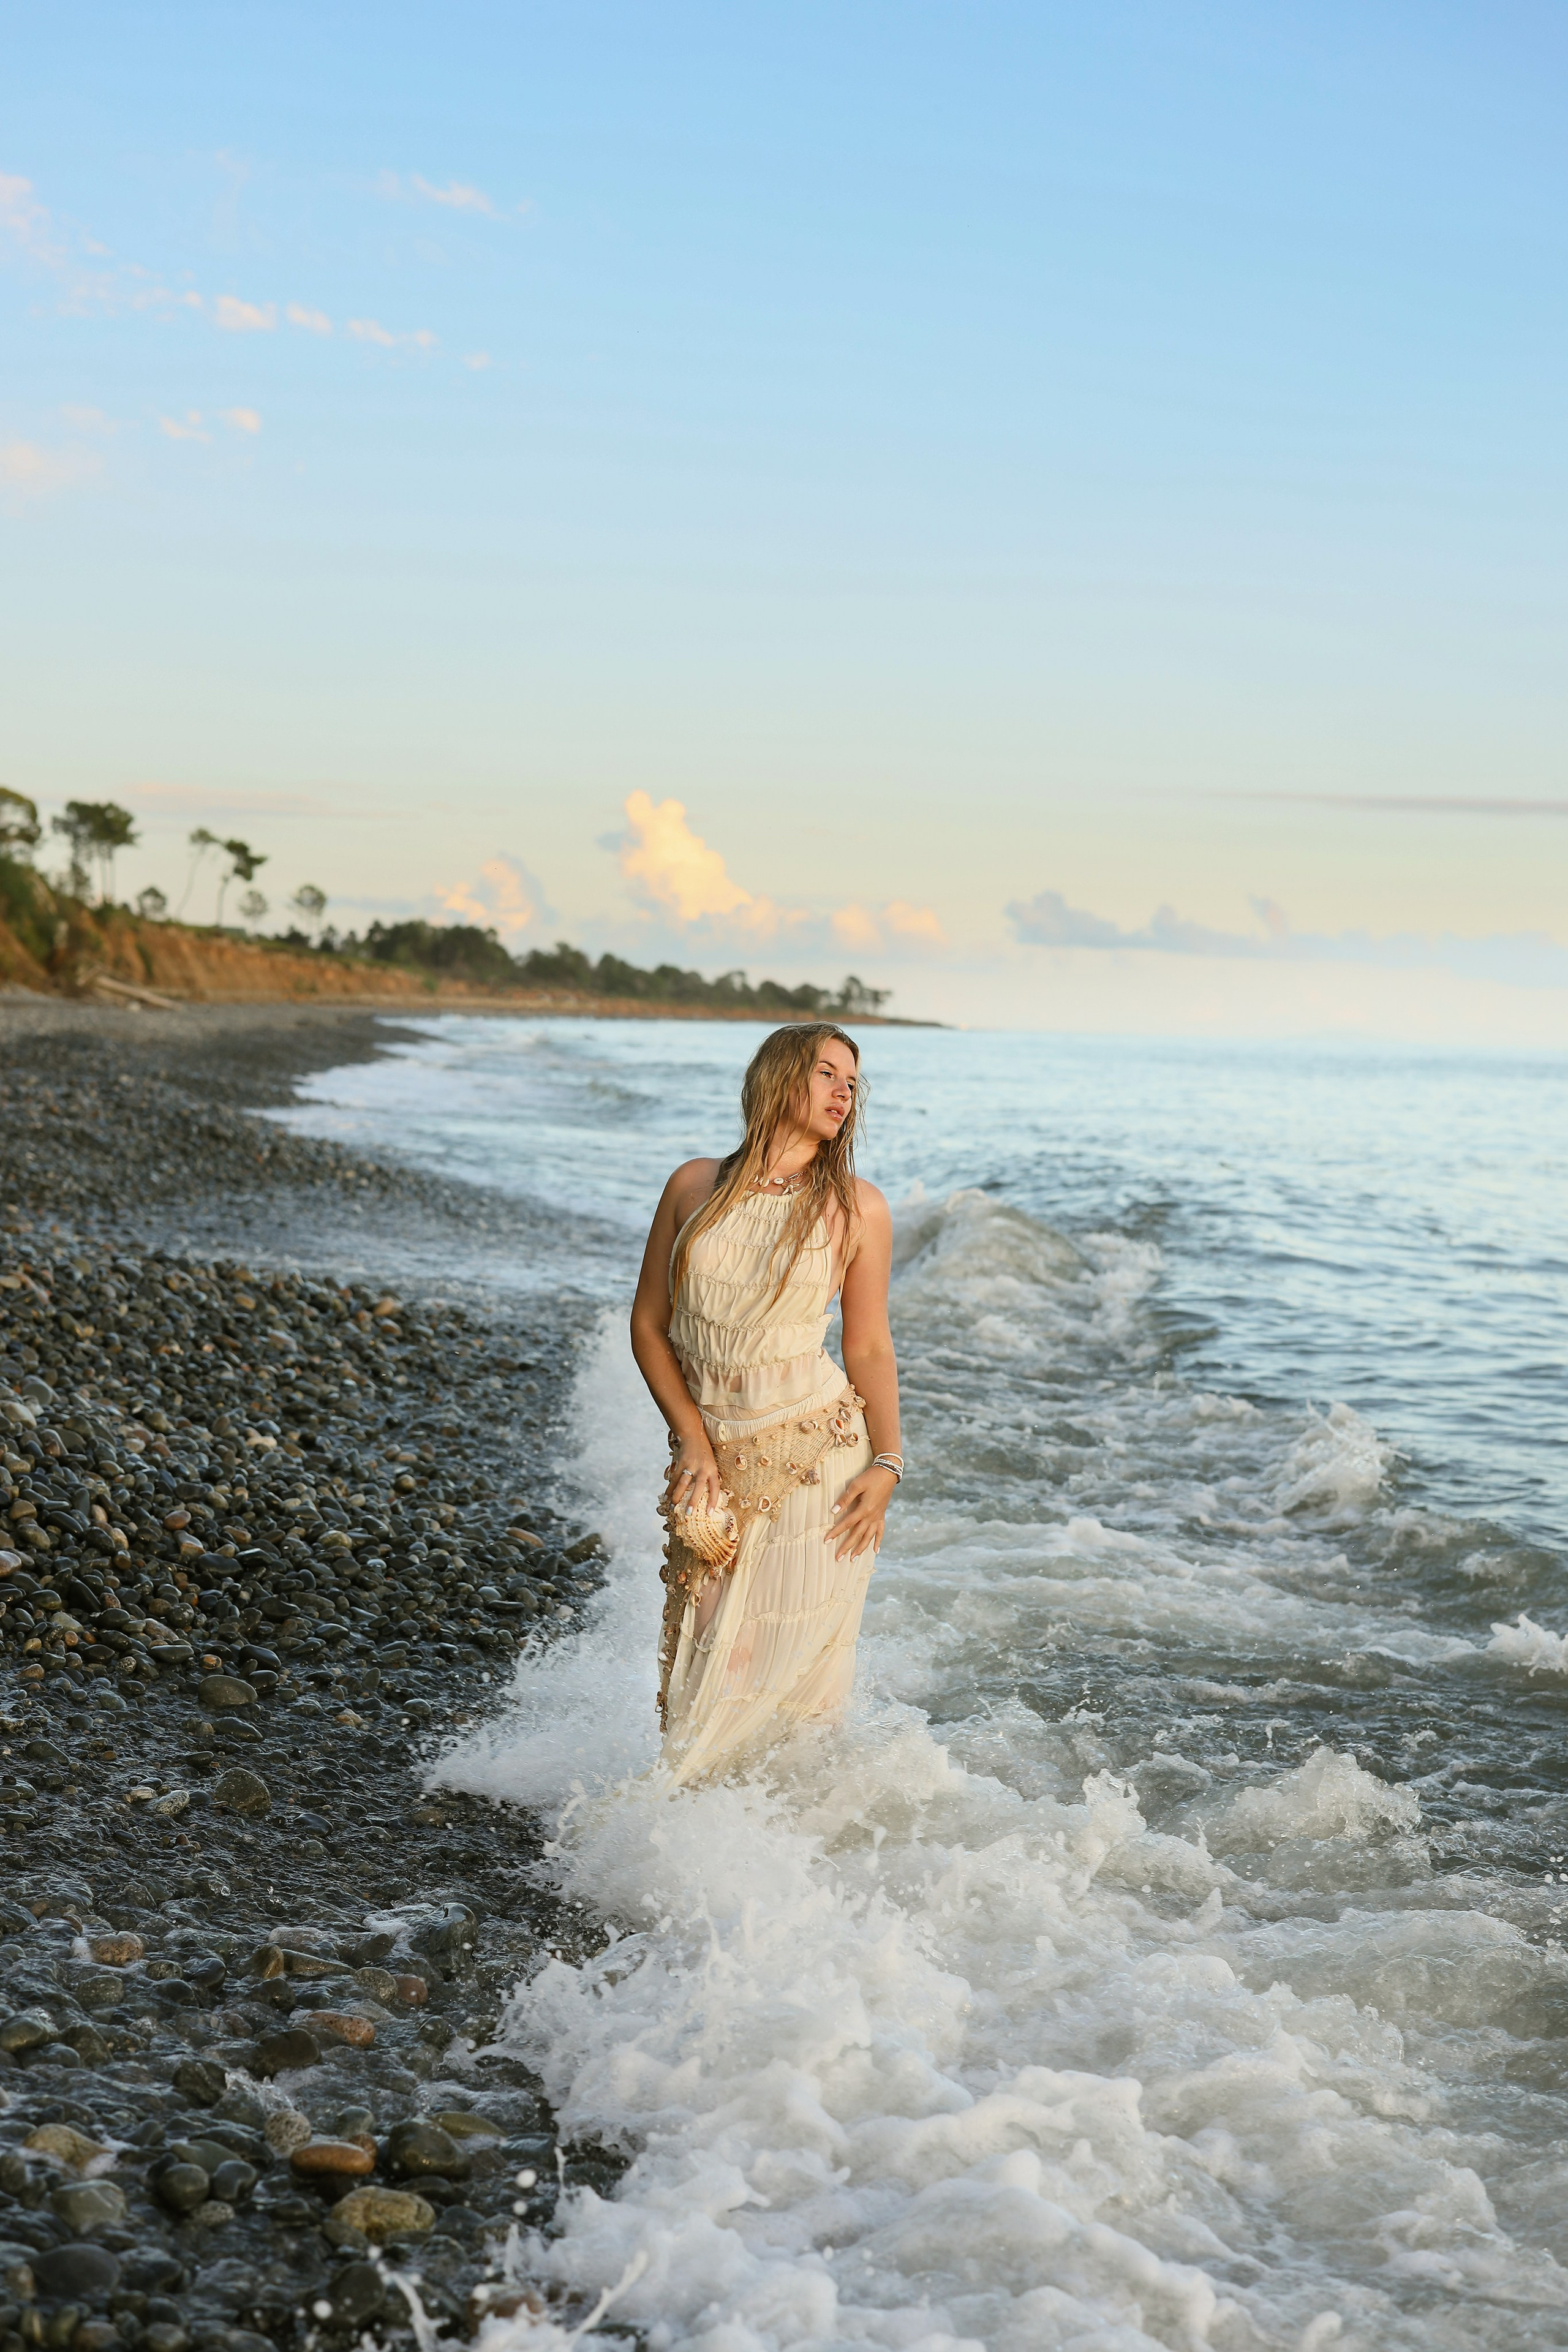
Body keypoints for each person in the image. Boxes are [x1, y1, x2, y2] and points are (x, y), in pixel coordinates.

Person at [630, 1022, 903, 1784]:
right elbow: (649, 1325)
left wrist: (888, 1462)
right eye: (825, 1073)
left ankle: (790, 1850)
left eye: (852, 1080)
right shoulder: (694, 1186)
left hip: (818, 1458)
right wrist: (690, 1439)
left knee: (794, 1672)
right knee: (707, 1653)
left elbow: (869, 1348)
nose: (844, 1091)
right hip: (711, 1456)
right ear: (779, 1078)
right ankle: (681, 1836)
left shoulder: (858, 1207)